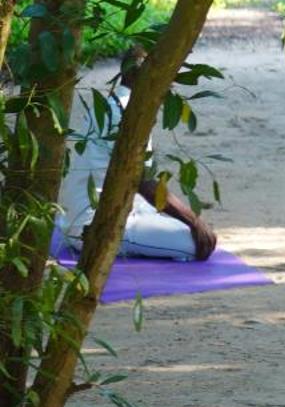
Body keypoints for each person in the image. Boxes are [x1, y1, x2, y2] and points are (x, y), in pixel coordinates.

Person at [56, 48, 217, 261]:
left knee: (188, 226)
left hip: (116, 207)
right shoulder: (127, 114)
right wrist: (194, 220)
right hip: (94, 223)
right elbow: (145, 183)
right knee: (199, 243)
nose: (172, 84)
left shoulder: (112, 102)